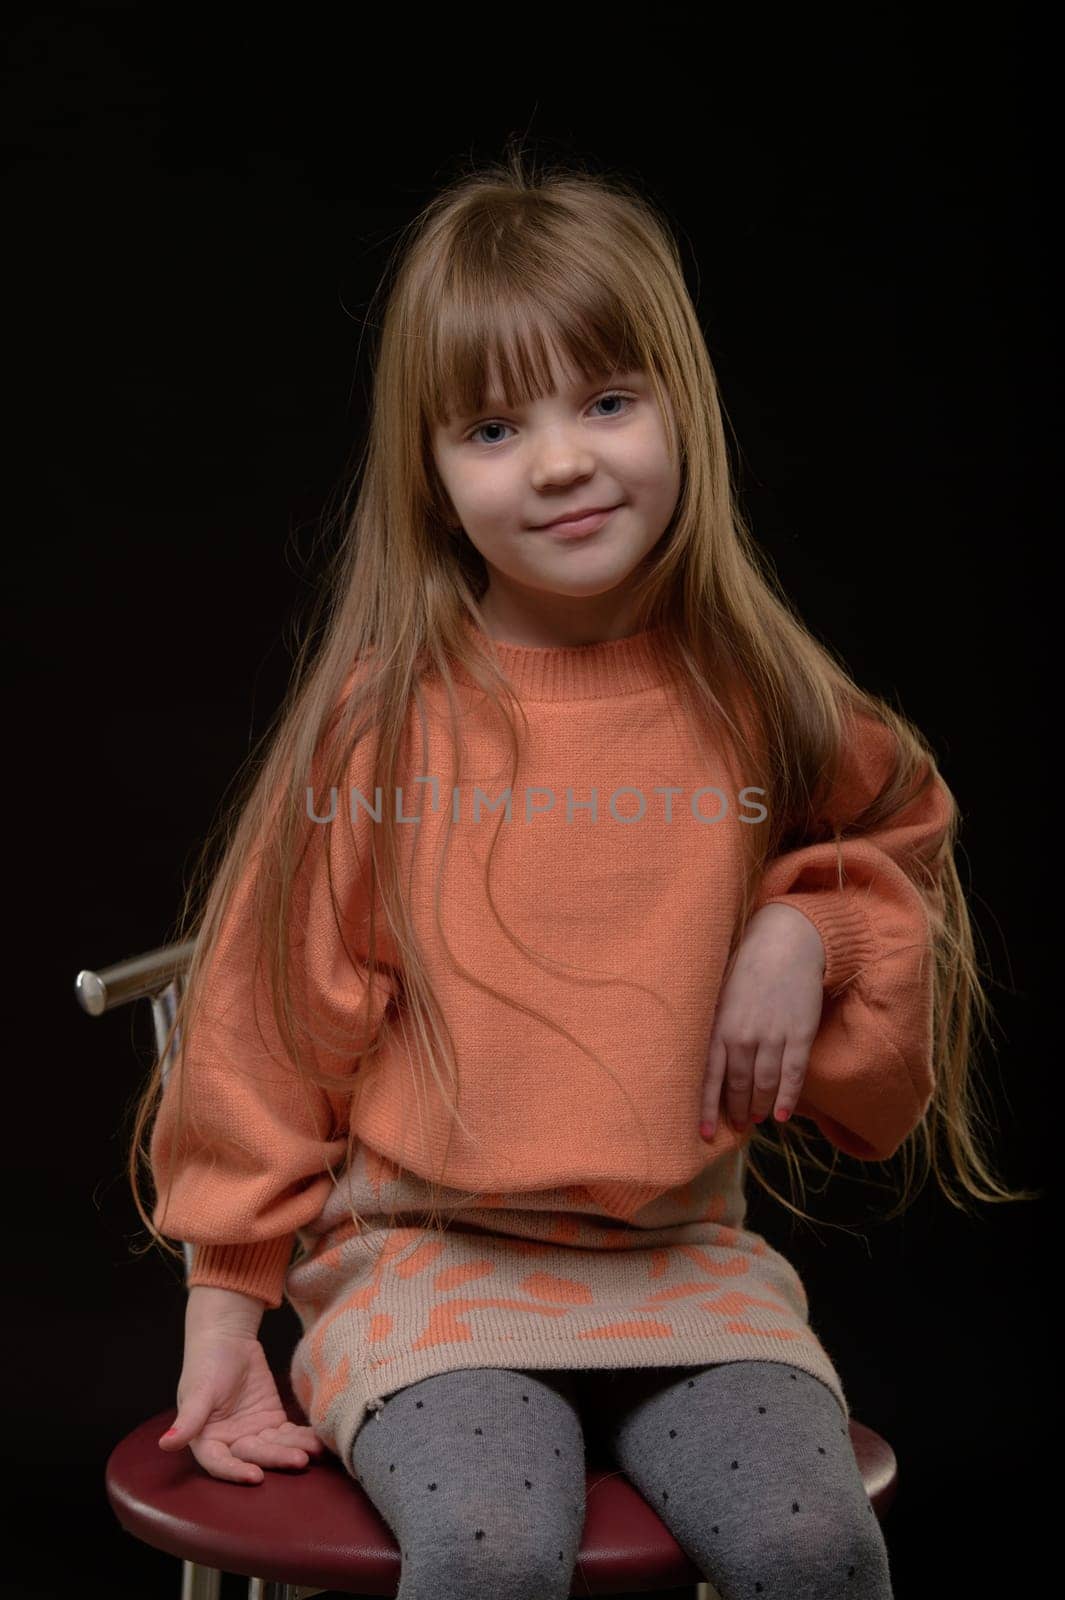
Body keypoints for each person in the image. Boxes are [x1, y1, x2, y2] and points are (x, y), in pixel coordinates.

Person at [129, 142, 1034, 1600]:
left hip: (685, 1265)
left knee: (812, 1547)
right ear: (426, 471)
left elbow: (901, 850)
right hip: (427, 1264)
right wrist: (225, 1311)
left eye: (607, 403)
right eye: (490, 430)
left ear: (683, 407)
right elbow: (261, 1023)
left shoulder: (761, 696)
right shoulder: (388, 723)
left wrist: (807, 927)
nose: (559, 461)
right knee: (491, 1551)